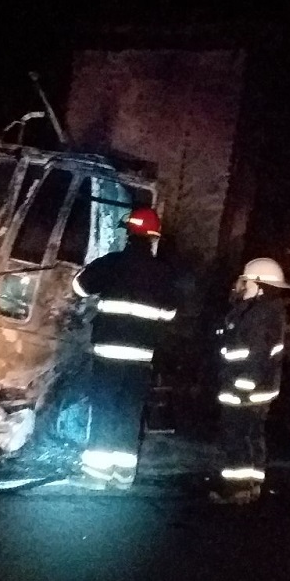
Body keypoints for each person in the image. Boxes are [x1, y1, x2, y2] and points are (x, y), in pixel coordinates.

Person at [71, 207, 178, 490]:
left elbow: (79, 287)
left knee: (104, 410)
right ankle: (123, 477)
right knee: (130, 413)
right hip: (141, 359)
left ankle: (96, 475)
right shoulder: (164, 274)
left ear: (129, 235)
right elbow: (168, 315)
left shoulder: (112, 263)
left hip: (108, 355)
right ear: (154, 239)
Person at [210, 257, 290, 505]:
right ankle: (252, 486)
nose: (240, 286)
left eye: (246, 282)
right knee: (252, 436)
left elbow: (254, 353)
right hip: (256, 389)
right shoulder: (268, 311)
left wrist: (242, 386)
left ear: (259, 285)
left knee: (236, 437)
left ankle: (236, 490)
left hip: (243, 389)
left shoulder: (259, 314)